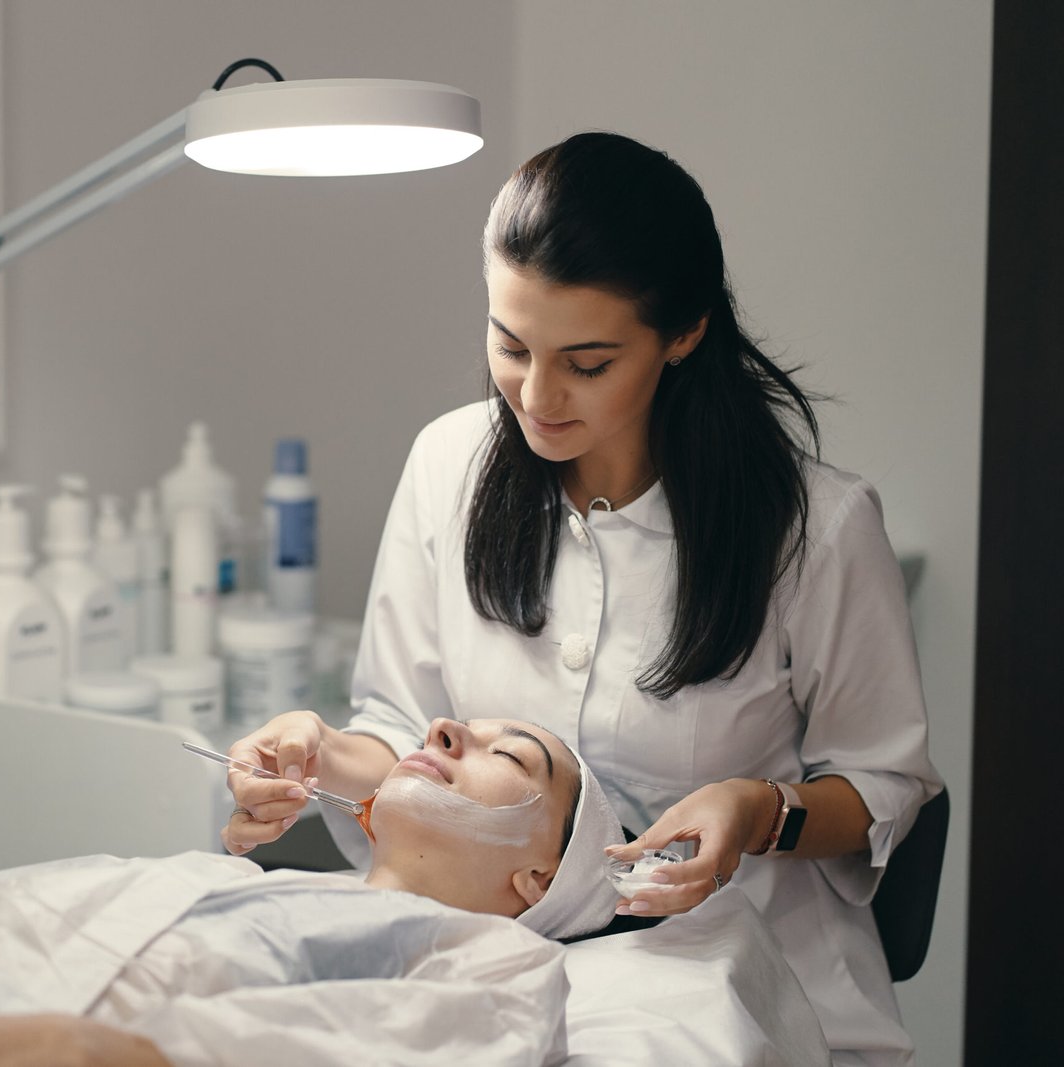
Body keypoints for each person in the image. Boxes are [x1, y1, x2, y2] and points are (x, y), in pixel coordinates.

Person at [224, 131, 942, 1067]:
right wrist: (317, 751)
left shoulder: (815, 528)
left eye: (588, 362)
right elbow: (404, 728)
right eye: (510, 344)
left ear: (684, 333)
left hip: (747, 992)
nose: (536, 394)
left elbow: (883, 784)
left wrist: (757, 810)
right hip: (497, 963)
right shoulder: (448, 464)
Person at [0, 718, 624, 1066]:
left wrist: (82, 1049)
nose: (448, 729)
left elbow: (364, 1050)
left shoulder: (505, 963)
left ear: (536, 877)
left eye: (510, 754)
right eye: (460, 720)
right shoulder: (207, 876)